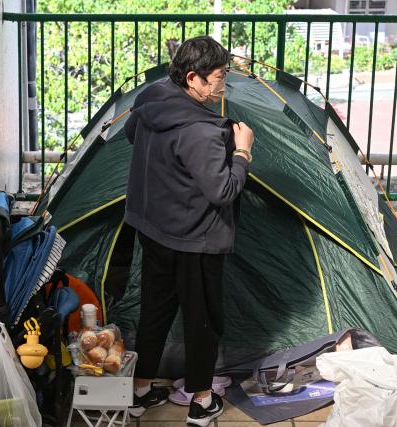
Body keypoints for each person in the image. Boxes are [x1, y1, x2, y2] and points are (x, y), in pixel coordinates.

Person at [123, 35, 254, 427]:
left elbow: (132, 134)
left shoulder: (151, 97)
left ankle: (140, 391)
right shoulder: (199, 131)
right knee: (202, 320)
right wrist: (242, 151)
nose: (222, 84)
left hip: (154, 228)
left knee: (155, 311)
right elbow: (223, 190)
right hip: (195, 240)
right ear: (194, 78)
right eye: (217, 77)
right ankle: (201, 401)